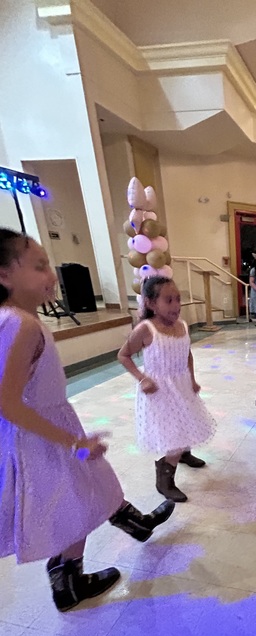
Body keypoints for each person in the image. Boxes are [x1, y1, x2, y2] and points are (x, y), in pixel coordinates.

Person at [0, 229, 175, 612]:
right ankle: (68, 581)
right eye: (39, 266)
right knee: (73, 503)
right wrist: (73, 443)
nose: (51, 275)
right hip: (44, 439)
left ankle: (92, 559)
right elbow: (8, 403)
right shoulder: (21, 324)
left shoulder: (16, 319)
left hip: (49, 431)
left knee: (88, 485)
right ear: (4, 274)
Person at [118, 277, 216, 503]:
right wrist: (142, 379)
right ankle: (165, 478)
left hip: (181, 384)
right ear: (151, 303)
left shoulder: (182, 326)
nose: (176, 305)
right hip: (159, 390)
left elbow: (187, 354)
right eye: (168, 300)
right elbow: (123, 355)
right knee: (173, 431)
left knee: (186, 420)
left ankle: (183, 453)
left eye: (178, 299)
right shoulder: (146, 329)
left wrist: (192, 379)